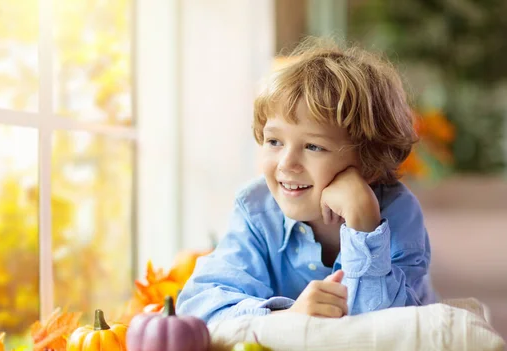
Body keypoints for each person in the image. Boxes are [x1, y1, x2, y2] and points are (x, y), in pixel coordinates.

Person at [176, 37, 437, 325]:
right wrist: (288, 316)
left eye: (313, 147)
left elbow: (387, 328)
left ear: (370, 163)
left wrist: (364, 222)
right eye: (274, 141)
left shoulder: (398, 213)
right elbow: (200, 306)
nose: (287, 163)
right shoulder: (256, 210)